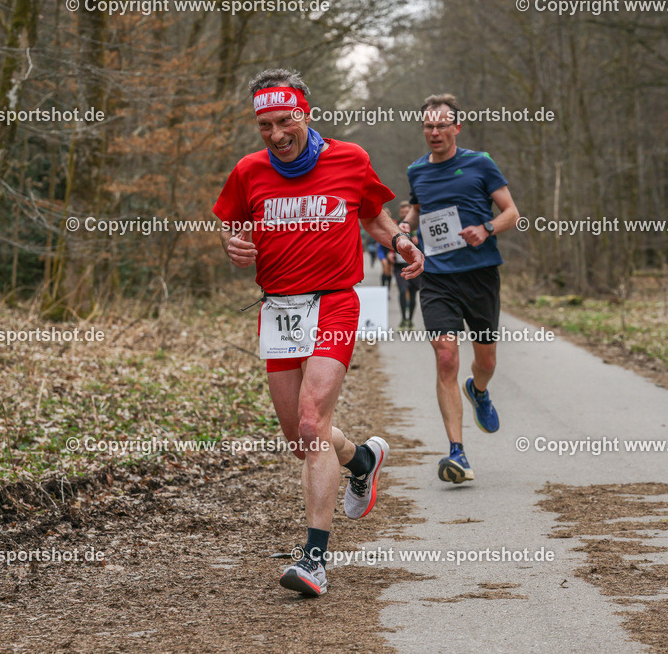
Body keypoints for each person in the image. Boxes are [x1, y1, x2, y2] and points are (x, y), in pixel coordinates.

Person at [214, 68, 424, 596]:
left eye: (285, 121)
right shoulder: (248, 170)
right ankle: (363, 458)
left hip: (333, 302)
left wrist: (400, 241)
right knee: (299, 439)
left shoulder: (349, 159)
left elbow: (371, 214)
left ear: (306, 112)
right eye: (265, 125)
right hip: (279, 310)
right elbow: (231, 224)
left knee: (311, 423)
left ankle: (314, 560)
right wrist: (232, 244)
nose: (277, 134)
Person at [399, 93, 519, 484]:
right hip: (436, 277)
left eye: (441, 125)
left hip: (480, 274)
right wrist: (405, 226)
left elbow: (511, 213)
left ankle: (479, 390)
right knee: (446, 355)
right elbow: (418, 208)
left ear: (456, 127)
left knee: (485, 362)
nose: (434, 132)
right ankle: (457, 453)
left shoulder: (479, 164)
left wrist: (486, 229)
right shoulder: (417, 170)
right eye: (428, 126)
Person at [390, 201, 421, 328]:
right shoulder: (394, 226)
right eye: (402, 212)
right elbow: (386, 240)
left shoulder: (418, 228)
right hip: (399, 265)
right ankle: (403, 318)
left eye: (406, 212)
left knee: (413, 293)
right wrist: (389, 253)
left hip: (415, 264)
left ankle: (410, 320)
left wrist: (419, 241)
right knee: (403, 290)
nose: (404, 214)